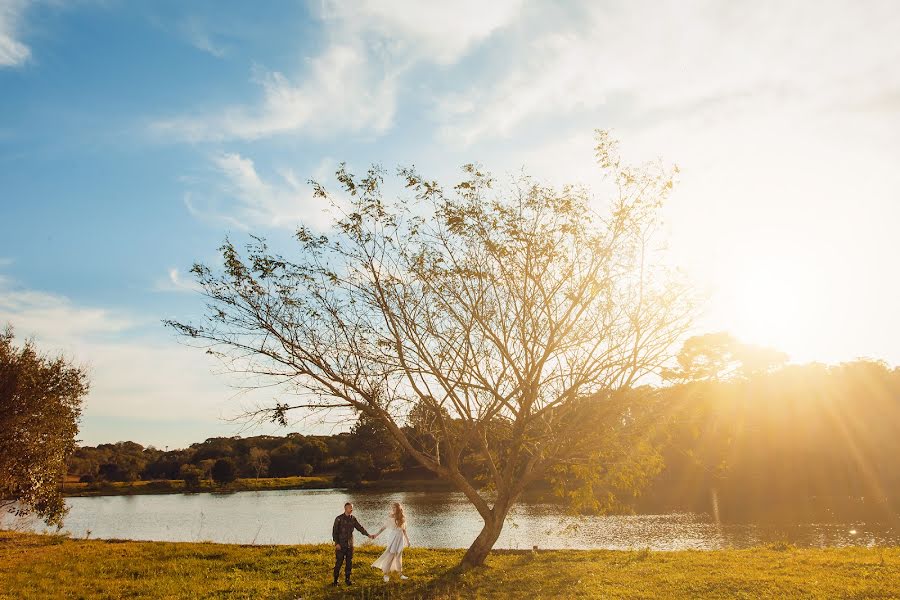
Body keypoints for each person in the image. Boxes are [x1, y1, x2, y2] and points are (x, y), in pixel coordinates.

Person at [332, 502, 374, 587]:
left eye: (352, 508)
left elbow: (360, 528)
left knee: (349, 562)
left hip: (350, 545)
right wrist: (337, 543)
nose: (351, 509)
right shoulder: (339, 519)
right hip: (340, 545)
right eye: (349, 508)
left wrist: (368, 535)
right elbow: (334, 532)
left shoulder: (353, 519)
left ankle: (347, 580)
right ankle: (335, 581)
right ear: (345, 508)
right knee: (339, 562)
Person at [371, 502, 411, 582]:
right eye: (392, 508)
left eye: (395, 508)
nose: (393, 509)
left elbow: (404, 530)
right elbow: (384, 527)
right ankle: (386, 574)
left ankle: (400, 574)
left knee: (399, 555)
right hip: (393, 537)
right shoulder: (391, 516)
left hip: (400, 538)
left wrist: (407, 540)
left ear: (398, 508)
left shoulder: (402, 517)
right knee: (390, 555)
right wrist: (376, 534)